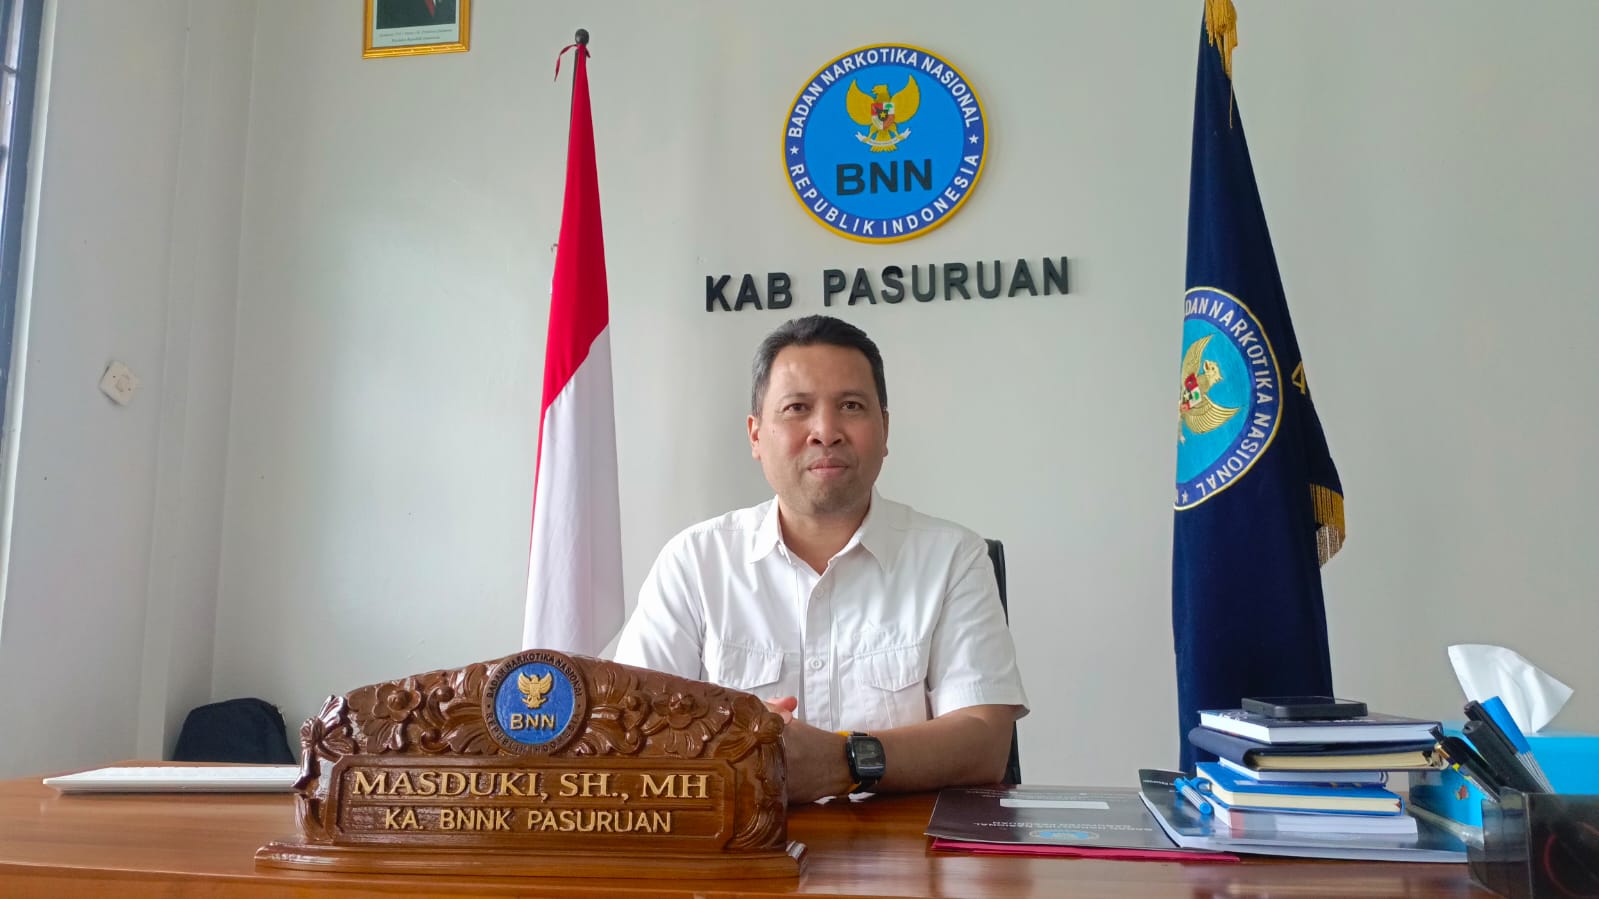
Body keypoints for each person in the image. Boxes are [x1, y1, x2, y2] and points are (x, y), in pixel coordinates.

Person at [614, 315, 1028, 803]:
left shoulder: (953, 557)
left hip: (906, 847)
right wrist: (740, 744)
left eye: (851, 406)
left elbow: (984, 742)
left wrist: (841, 761)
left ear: (885, 430)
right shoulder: (695, 562)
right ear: (755, 435)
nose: (826, 431)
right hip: (738, 843)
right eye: (797, 408)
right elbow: (630, 733)